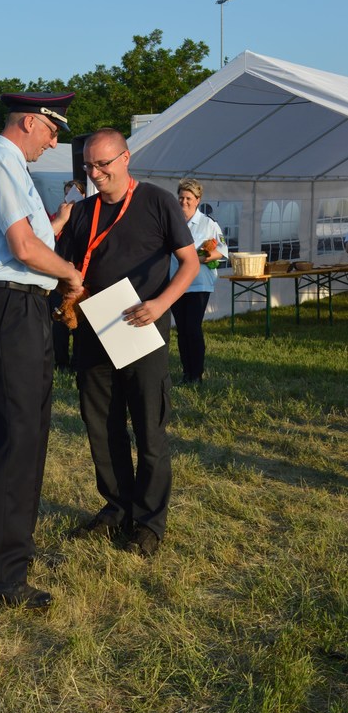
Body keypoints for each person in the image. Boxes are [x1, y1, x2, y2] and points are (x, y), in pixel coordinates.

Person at [0, 91, 84, 608]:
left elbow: (28, 239)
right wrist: (72, 274)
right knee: (16, 437)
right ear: (31, 121)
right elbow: (23, 249)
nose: (52, 143)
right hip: (8, 308)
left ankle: (12, 555)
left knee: (28, 434)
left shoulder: (9, 166)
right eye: (52, 132)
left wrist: (57, 225)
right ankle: (0, 576)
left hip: (20, 306)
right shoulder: (1, 162)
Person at [57, 128, 199, 557]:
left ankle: (150, 521)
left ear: (125, 158)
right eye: (88, 165)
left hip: (142, 330)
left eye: (102, 163)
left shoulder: (157, 202)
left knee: (149, 428)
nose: (95, 172)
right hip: (94, 332)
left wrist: (160, 305)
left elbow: (189, 263)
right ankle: (117, 507)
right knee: (101, 427)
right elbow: (63, 263)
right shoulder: (83, 212)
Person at [170, 178, 228, 384]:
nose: (184, 202)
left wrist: (197, 259)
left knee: (193, 328)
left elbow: (221, 251)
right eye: (181, 197)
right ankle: (186, 372)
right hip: (175, 283)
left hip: (198, 283)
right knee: (181, 330)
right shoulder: (172, 221)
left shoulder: (208, 223)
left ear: (198, 200)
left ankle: (197, 374)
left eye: (188, 198)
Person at [50, 180, 86, 371]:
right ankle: (61, 362)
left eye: (74, 194)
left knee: (79, 323)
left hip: (80, 277)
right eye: (67, 194)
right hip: (59, 278)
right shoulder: (58, 218)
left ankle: (78, 361)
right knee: (59, 324)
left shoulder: (87, 219)